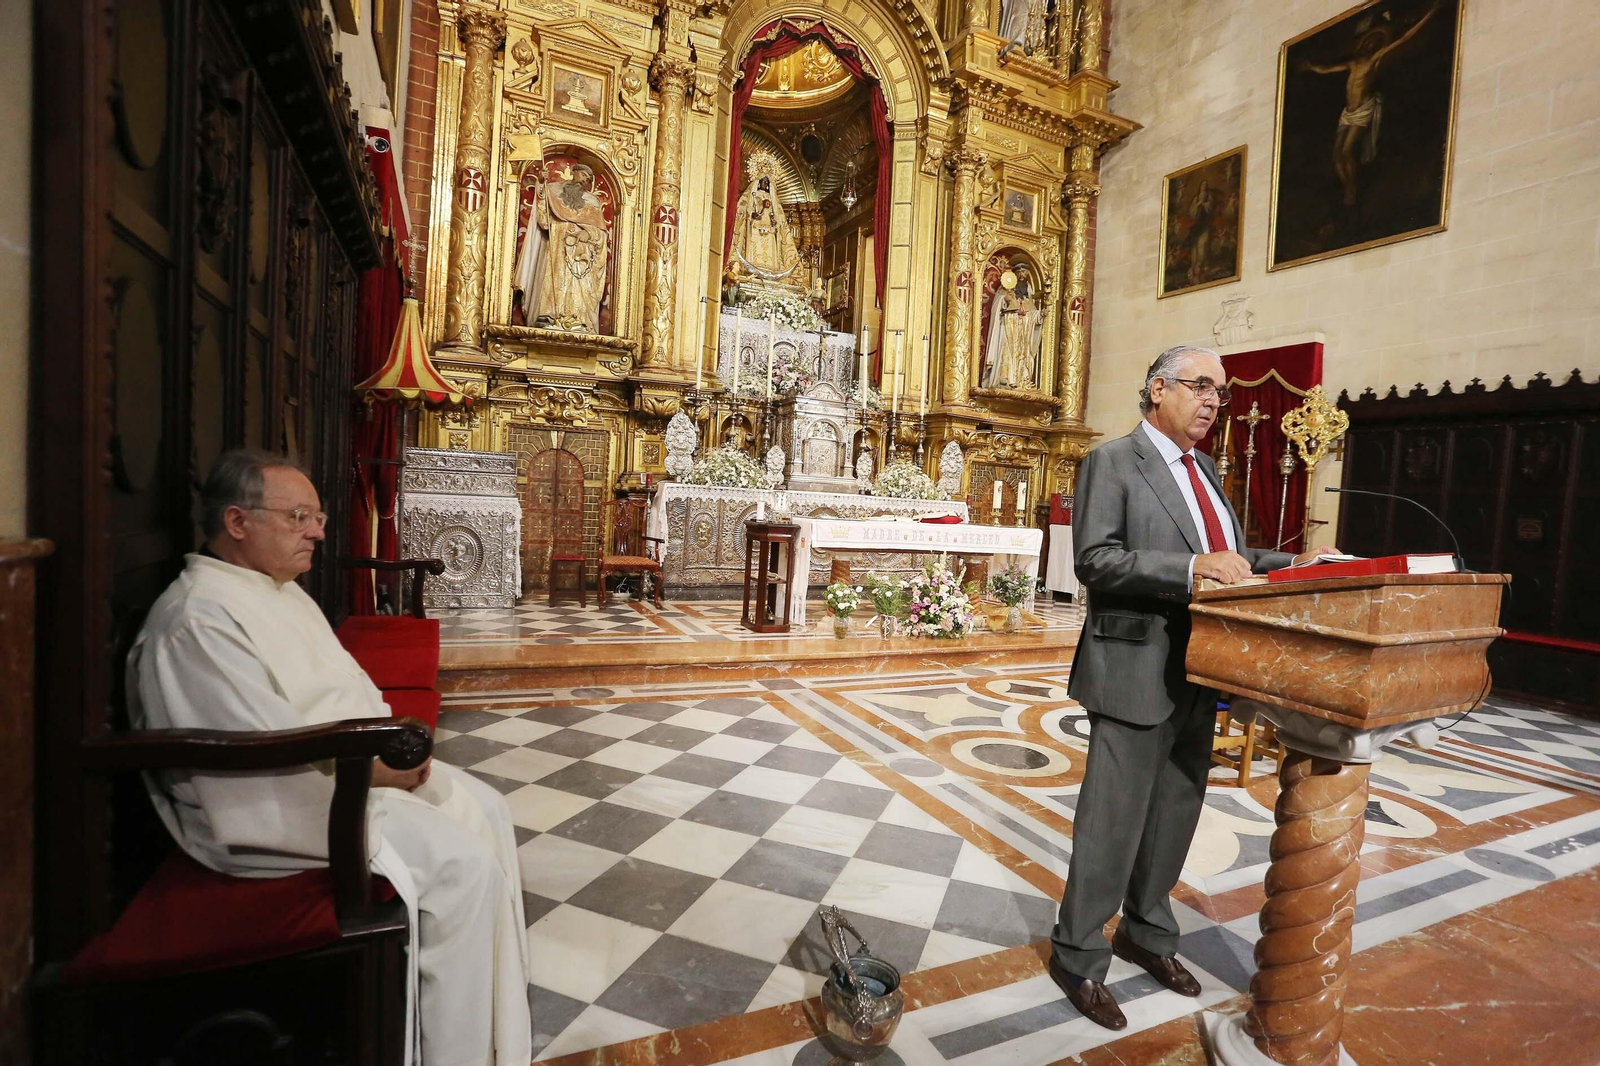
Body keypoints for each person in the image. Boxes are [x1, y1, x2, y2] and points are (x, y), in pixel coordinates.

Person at [128, 450, 532, 1066]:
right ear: (237, 522)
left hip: (348, 763)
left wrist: (391, 743)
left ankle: (494, 1038)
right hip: (276, 805)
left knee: (489, 808)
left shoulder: (274, 589)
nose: (318, 530)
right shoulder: (198, 620)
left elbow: (338, 686)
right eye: (299, 517)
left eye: (315, 516)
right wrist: (379, 764)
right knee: (463, 871)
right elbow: (260, 745)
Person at [1048, 345, 1335, 1030]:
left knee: (1176, 812)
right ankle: (1078, 954)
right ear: (1157, 389)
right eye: (1200, 386)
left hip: (1205, 668)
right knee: (1111, 824)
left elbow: (1227, 556)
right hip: (1135, 670)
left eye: (1221, 393)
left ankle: (1147, 933)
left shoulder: (1203, 468)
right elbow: (1097, 561)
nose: (1212, 401)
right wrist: (1187, 570)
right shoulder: (1113, 462)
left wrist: (1295, 562)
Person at [1297, 2, 1440, 206]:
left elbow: (1404, 38)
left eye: (1374, 43)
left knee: (1346, 152)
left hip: (1363, 109)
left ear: (1377, 46)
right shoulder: (1352, 63)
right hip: (1348, 112)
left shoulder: (1373, 60)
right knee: (1337, 156)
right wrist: (1311, 67)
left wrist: (1430, 14)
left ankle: (1351, 188)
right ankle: (1347, 184)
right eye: (1367, 43)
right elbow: (1327, 69)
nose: (1369, 46)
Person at [514, 161, 611, 332]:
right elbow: (543, 221)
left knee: (577, 285)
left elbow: (601, 233)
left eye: (588, 179)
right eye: (583, 175)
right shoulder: (553, 191)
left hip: (581, 253)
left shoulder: (592, 201)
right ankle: (548, 315)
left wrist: (588, 234)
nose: (584, 181)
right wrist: (541, 186)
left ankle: (578, 319)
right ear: (574, 172)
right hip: (556, 245)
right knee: (553, 277)